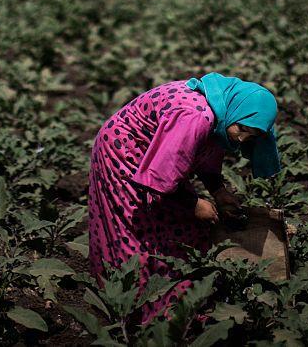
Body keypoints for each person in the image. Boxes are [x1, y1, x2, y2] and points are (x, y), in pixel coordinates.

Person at [87, 72, 281, 322]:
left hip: (157, 158)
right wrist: (193, 203)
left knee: (176, 224)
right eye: (242, 130)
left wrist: (219, 193)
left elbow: (204, 154)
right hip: (123, 150)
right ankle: (136, 310)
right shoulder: (195, 116)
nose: (242, 139)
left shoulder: (221, 111)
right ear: (237, 113)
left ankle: (177, 299)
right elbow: (160, 175)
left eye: (252, 137)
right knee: (134, 228)